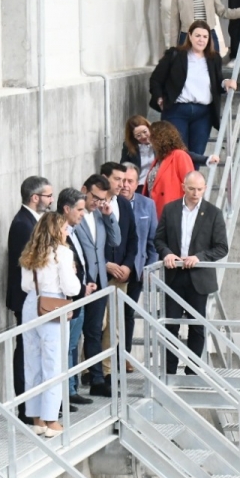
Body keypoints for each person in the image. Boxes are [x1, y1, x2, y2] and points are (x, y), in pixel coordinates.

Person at [155, 171, 228, 374]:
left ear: (205, 189)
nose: (196, 193)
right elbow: (158, 239)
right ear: (183, 187)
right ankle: (169, 372)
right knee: (171, 325)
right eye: (191, 189)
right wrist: (167, 253)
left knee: (197, 326)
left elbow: (222, 247)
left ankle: (192, 372)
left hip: (199, 277)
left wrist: (199, 257)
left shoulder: (213, 213)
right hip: (174, 275)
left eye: (199, 189)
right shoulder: (170, 209)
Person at [19, 212, 81, 437]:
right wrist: (73, 273)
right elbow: (72, 288)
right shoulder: (63, 253)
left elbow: (25, 285)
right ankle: (51, 421)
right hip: (52, 305)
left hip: (31, 304)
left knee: (32, 364)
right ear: (56, 231)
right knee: (53, 364)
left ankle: (37, 419)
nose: (67, 232)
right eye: (64, 229)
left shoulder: (31, 251)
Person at [148, 20, 238, 157]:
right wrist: (159, 98)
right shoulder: (175, 54)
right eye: (197, 35)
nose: (201, 40)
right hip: (177, 111)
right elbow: (156, 79)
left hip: (203, 114)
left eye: (205, 36)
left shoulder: (214, 58)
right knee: (177, 154)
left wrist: (226, 82)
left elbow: (217, 81)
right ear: (189, 36)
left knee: (197, 155)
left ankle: (193, 173)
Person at [6, 176, 52, 424]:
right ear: (35, 198)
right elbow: (32, 264)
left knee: (35, 351)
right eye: (48, 196)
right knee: (26, 351)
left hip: (36, 299)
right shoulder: (23, 224)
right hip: (27, 299)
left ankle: (36, 405)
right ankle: (26, 408)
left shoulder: (33, 221)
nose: (51, 200)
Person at [72, 175, 120, 397]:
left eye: (102, 199)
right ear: (84, 190)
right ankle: (72, 384)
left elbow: (115, 241)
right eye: (95, 197)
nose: (97, 202)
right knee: (74, 335)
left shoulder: (101, 215)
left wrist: (109, 216)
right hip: (79, 284)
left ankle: (97, 380)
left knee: (94, 332)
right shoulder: (75, 216)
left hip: (99, 282)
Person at [98, 162, 139, 378]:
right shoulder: (93, 204)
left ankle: (107, 372)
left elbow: (133, 238)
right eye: (117, 179)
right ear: (104, 178)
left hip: (121, 276)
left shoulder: (124, 204)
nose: (122, 184)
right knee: (98, 324)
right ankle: (88, 368)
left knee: (113, 326)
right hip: (98, 275)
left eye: (124, 180)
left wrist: (127, 266)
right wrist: (105, 263)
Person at [57, 188, 96, 404]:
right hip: (67, 300)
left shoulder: (74, 231)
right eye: (79, 210)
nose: (83, 213)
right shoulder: (58, 235)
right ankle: (66, 392)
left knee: (72, 345)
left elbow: (80, 263)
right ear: (67, 209)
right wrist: (80, 289)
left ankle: (71, 388)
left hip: (79, 296)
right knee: (66, 347)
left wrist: (85, 286)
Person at [122, 163, 158, 371]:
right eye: (122, 180)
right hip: (114, 270)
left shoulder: (147, 205)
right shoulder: (110, 204)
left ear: (137, 184)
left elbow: (153, 242)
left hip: (137, 271)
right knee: (107, 319)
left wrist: (149, 268)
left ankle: (125, 356)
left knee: (127, 314)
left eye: (130, 181)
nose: (125, 185)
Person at [120, 116, 156, 187]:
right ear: (133, 137)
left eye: (145, 132)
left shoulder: (159, 141)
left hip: (157, 182)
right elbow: (123, 166)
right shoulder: (128, 146)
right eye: (138, 135)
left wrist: (153, 144)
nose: (143, 136)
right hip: (139, 183)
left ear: (149, 128)